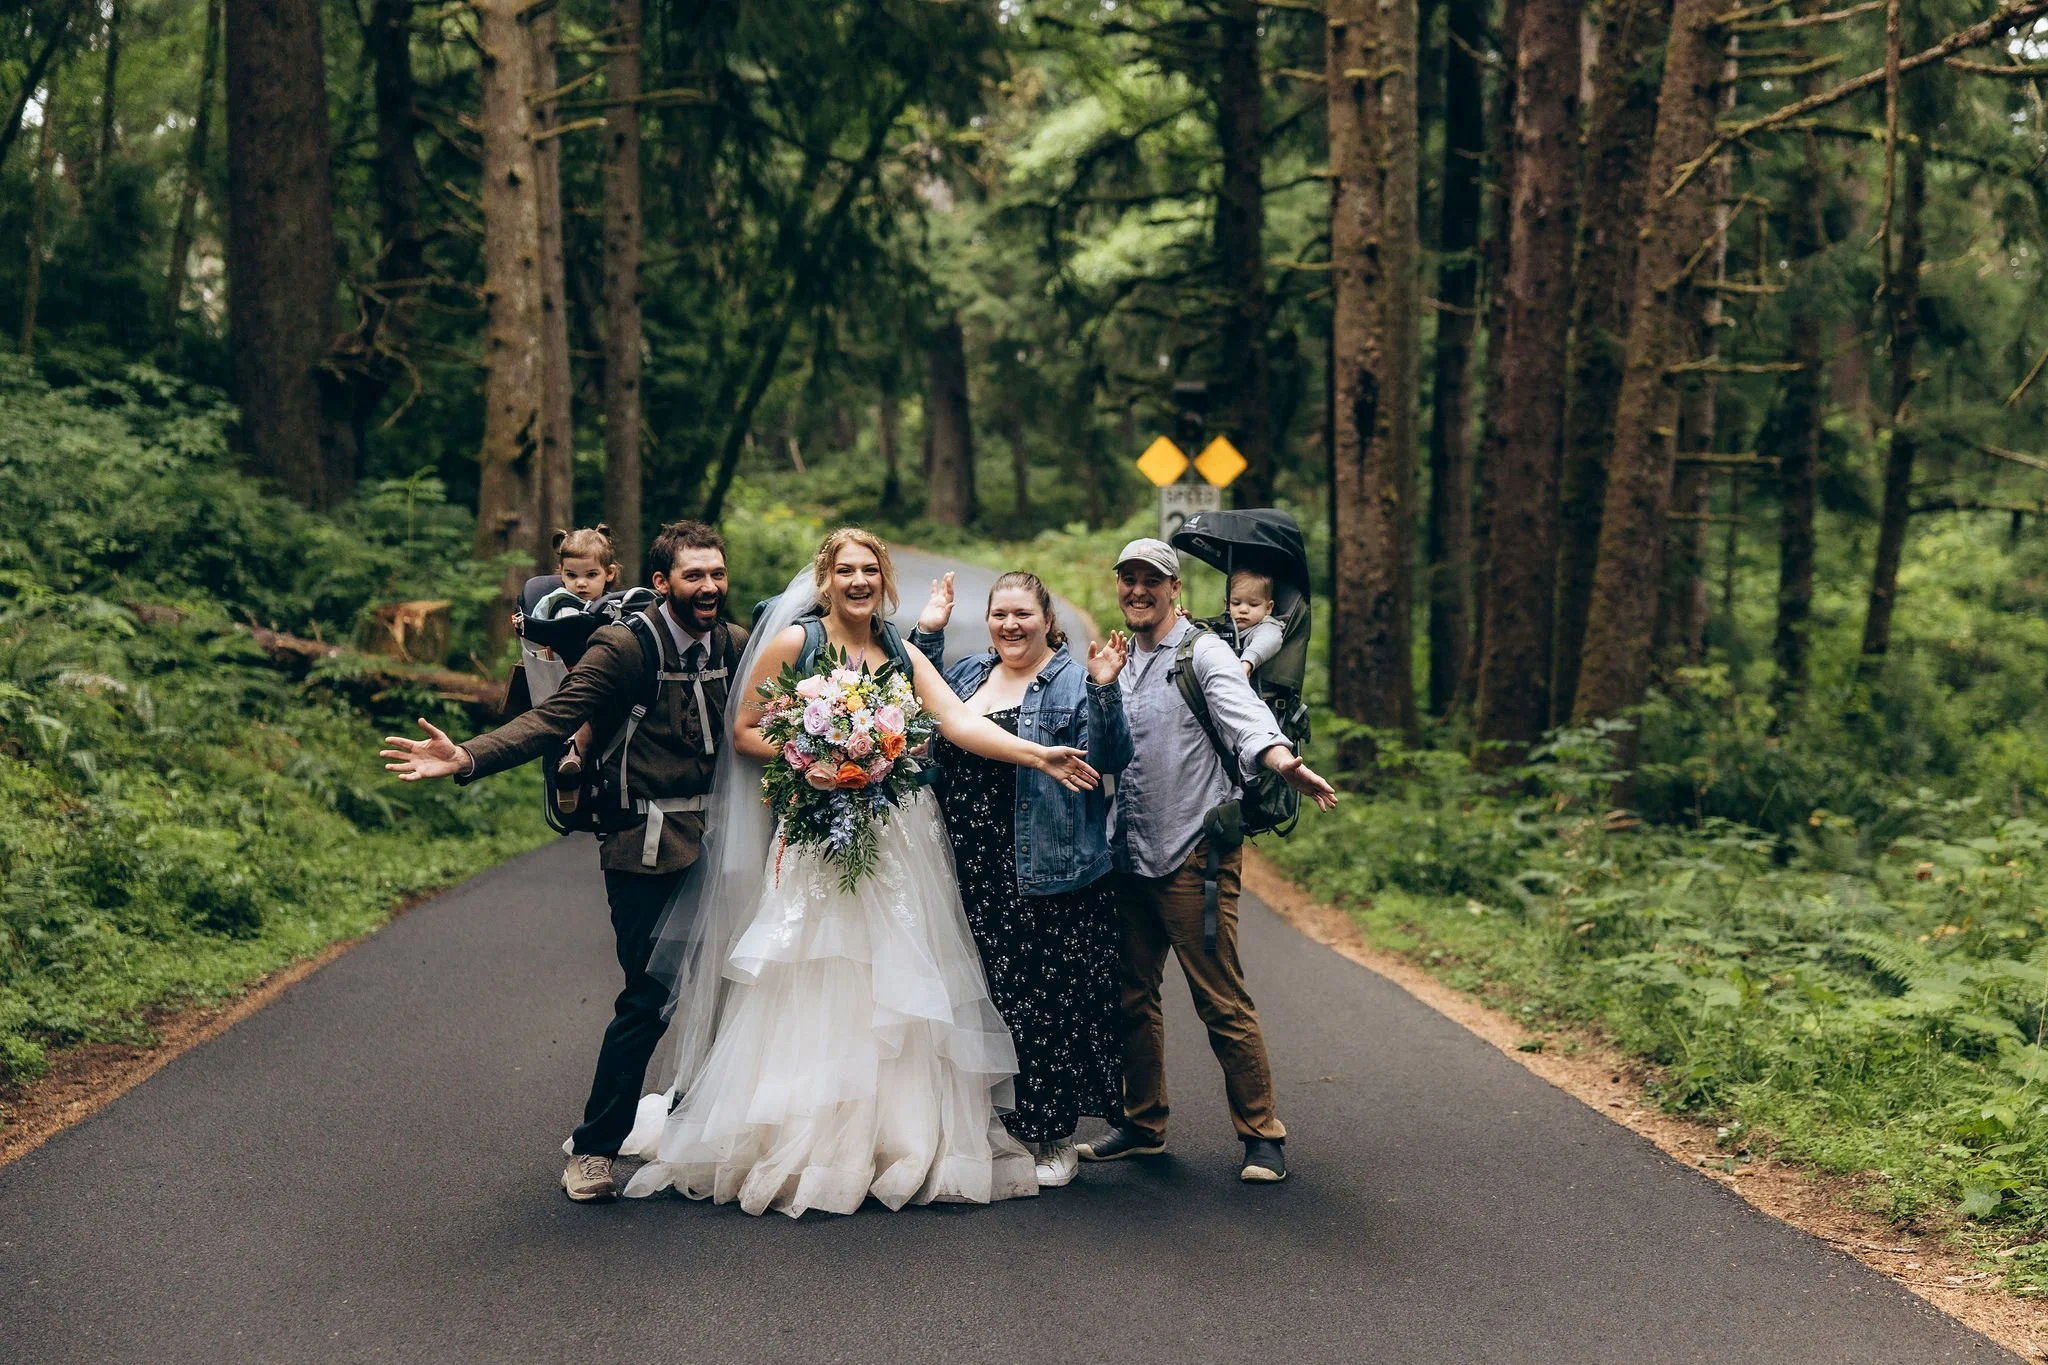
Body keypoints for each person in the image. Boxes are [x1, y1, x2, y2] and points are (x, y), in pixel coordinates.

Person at [621, 529, 1102, 1217]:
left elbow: (958, 721)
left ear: (884, 579)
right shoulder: (797, 644)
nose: (857, 581)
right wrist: (812, 754)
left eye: (869, 569)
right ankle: (809, 1135)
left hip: (896, 835)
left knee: (897, 978)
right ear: (825, 578)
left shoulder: (900, 651)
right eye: (845, 569)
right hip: (820, 831)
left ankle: (897, 1137)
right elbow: (746, 729)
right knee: (818, 972)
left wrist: (1034, 754)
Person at [379, 520, 742, 1204]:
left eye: (717, 574)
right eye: (694, 575)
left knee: (731, 985)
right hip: (640, 845)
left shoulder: (733, 644)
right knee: (648, 996)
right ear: (662, 582)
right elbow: (554, 715)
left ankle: (703, 1123)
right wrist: (469, 756)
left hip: (722, 845)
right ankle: (596, 1146)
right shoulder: (625, 646)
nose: (710, 587)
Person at [1077, 538, 1337, 1185]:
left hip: (1193, 852)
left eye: (1151, 580)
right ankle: (1143, 1123)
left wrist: (1284, 762)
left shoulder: (1204, 652)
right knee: (1131, 996)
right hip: (1130, 850)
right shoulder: (1125, 659)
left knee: (1220, 997)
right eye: (1128, 579)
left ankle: (1262, 1135)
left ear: (1174, 589)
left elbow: (1246, 718)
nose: (1138, 590)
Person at [911, 571, 1133, 1189]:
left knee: (1047, 1005)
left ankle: (1053, 1134)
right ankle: (1001, 1127)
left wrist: (1106, 690)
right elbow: (914, 705)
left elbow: (1114, 757)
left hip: (1048, 869)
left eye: (1022, 615)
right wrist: (928, 630)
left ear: (1046, 619)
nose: (1010, 626)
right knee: (989, 1001)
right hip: (969, 868)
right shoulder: (969, 674)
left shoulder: (1069, 676)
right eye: (999, 614)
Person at [514, 525, 623, 810]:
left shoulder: (612, 605)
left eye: (590, 575)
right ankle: (574, 757)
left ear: (608, 574)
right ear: (561, 573)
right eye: (571, 576)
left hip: (608, 676)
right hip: (570, 676)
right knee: (586, 708)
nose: (580, 584)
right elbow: (559, 633)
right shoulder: (563, 605)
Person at [1225, 568, 1285, 680]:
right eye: (1236, 603)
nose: (1243, 609)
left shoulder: (1267, 627)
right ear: (1226, 604)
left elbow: (1268, 639)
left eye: (1253, 604)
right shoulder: (1223, 625)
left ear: (1268, 608)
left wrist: (1247, 662)